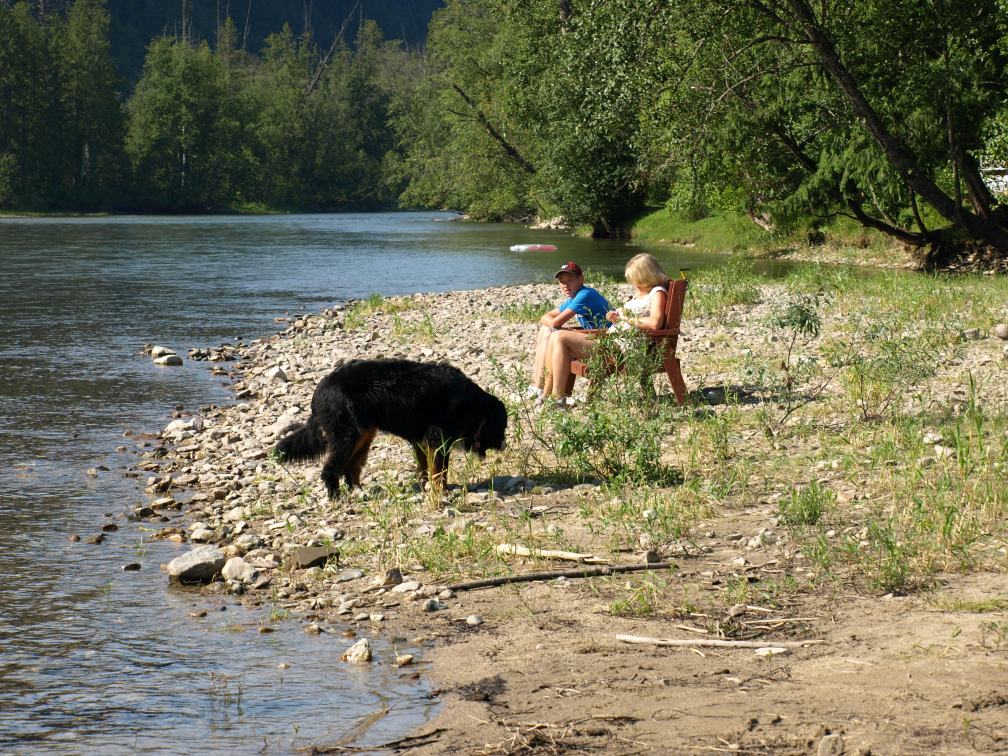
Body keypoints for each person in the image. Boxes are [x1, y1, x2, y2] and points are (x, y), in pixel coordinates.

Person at [541, 253, 670, 408]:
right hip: (612, 342)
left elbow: (655, 323)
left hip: (622, 349)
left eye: (636, 279)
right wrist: (616, 317)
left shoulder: (657, 292)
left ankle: (557, 400)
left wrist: (624, 318)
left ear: (646, 275)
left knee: (560, 336)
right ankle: (550, 396)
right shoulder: (640, 295)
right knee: (555, 336)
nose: (634, 283)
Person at [527, 261, 610, 401]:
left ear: (581, 279)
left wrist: (555, 326)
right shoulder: (573, 298)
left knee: (555, 333)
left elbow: (556, 322)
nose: (565, 285)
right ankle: (537, 386)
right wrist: (554, 325)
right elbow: (545, 317)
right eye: (562, 282)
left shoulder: (585, 294)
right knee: (545, 329)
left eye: (569, 280)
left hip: (608, 345)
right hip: (595, 339)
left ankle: (549, 394)